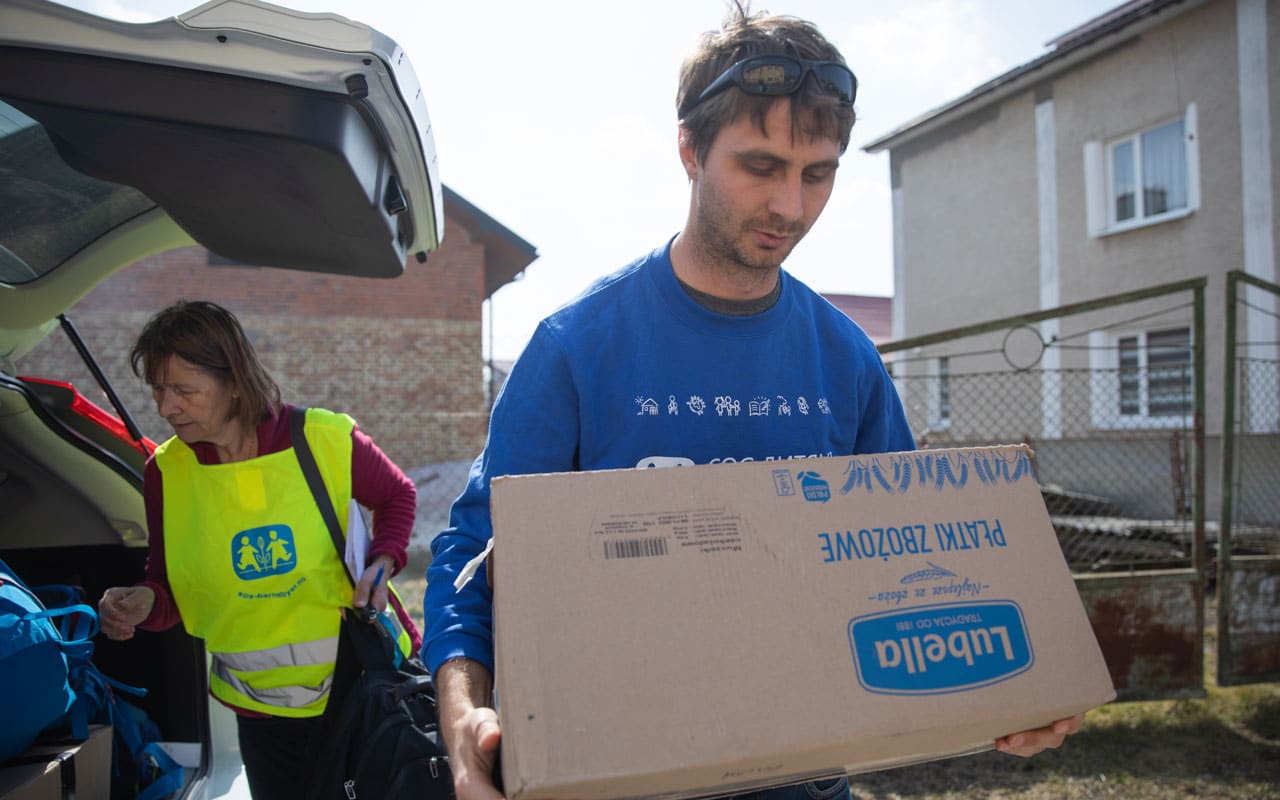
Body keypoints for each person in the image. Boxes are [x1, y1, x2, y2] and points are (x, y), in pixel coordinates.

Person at [422, 6, 1084, 800]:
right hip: (611, 774)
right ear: (689, 149)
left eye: (819, 173)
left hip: (804, 782)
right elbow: (471, 555)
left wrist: (1012, 693)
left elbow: (913, 564)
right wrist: (465, 721)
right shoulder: (575, 346)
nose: (792, 208)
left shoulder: (846, 358)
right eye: (761, 166)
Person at [97, 299, 421, 800]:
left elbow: (397, 494)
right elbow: (172, 587)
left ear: (233, 381)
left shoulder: (324, 439)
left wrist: (383, 560)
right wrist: (143, 603)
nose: (165, 407)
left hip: (362, 690)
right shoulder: (166, 472)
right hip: (259, 714)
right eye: (158, 390)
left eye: (183, 390)